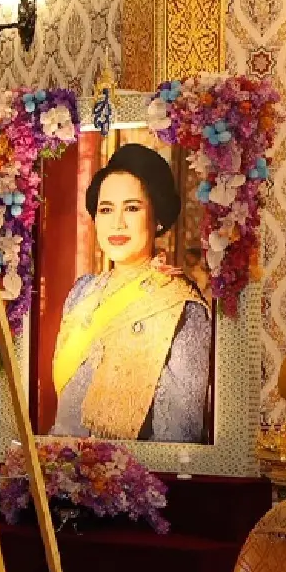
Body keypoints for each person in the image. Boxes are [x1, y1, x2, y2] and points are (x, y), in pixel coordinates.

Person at [49, 144, 212, 443]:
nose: (117, 223)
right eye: (106, 209)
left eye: (132, 208)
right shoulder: (81, 293)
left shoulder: (181, 307)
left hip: (136, 481)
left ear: (157, 218)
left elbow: (177, 439)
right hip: (60, 473)